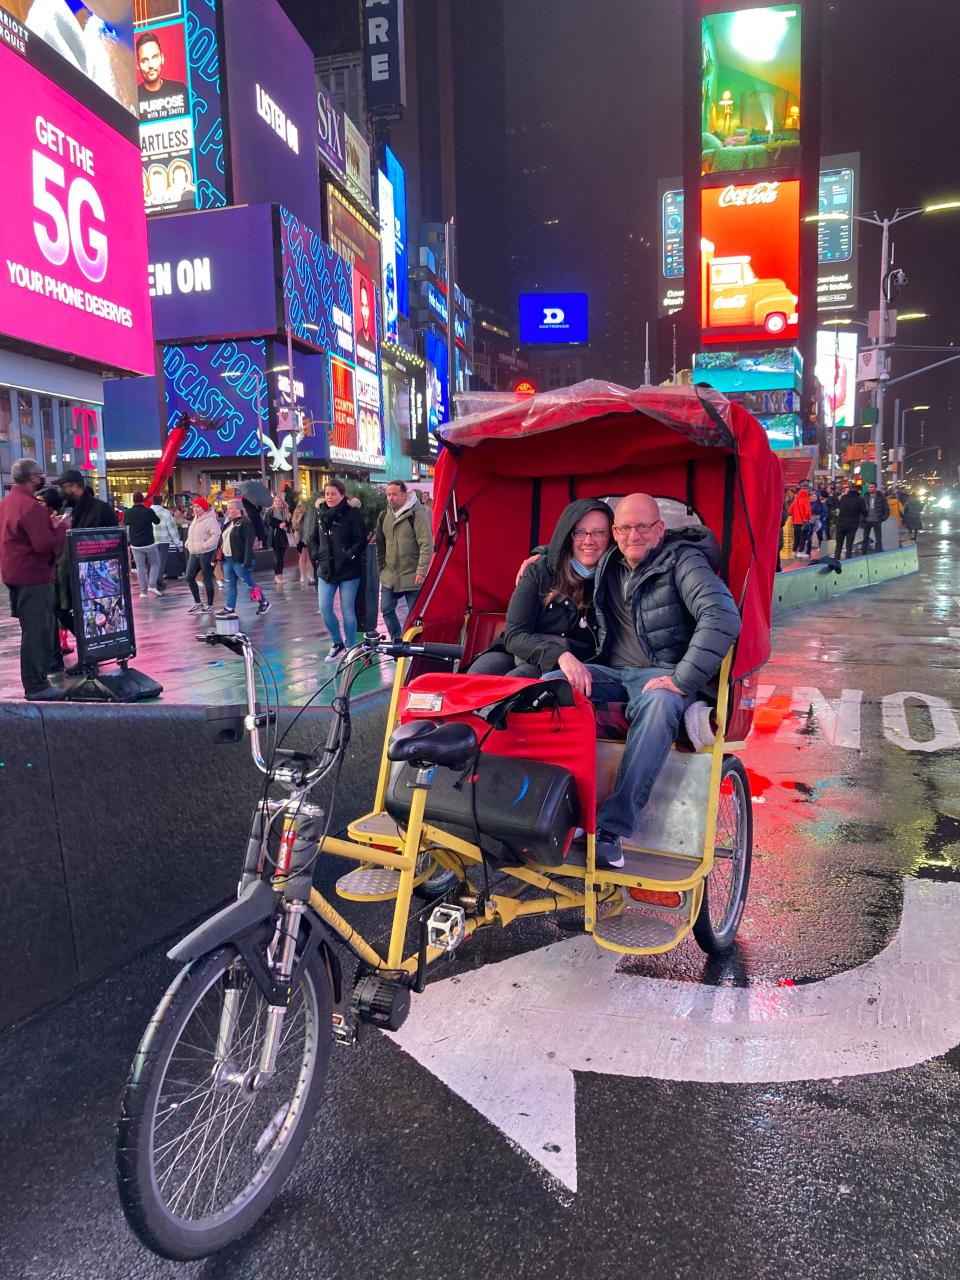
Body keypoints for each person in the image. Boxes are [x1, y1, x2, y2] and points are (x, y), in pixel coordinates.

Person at [546, 493, 741, 869]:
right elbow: (581, 546)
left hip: (662, 674)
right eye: (623, 528)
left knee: (660, 704)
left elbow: (721, 616)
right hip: (611, 670)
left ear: (659, 529)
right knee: (550, 685)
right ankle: (555, 807)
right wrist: (541, 556)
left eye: (641, 527)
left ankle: (611, 829)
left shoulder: (684, 561)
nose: (631, 536)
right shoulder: (611, 560)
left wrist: (682, 680)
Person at [470, 499, 613, 678]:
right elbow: (514, 635)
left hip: (570, 664)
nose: (588, 540)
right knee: (478, 676)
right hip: (517, 651)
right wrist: (557, 654)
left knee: (519, 682)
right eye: (580, 532)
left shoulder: (614, 578)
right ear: (569, 535)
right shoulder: (541, 570)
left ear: (611, 537)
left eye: (599, 533)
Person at [0, 458, 68, 700]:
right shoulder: (30, 507)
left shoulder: (7, 502)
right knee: (38, 631)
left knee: (32, 630)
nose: (42, 478)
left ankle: (36, 682)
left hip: (15, 574)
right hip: (34, 576)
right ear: (31, 478)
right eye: (40, 474)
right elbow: (43, 544)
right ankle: (36, 685)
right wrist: (60, 528)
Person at [54, 468, 116, 640]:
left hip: (92, 573)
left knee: (90, 611)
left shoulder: (100, 509)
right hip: (68, 570)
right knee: (62, 609)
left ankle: (92, 647)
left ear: (77, 486)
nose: (63, 491)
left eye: (66, 486)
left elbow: (113, 538)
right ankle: (87, 643)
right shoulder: (66, 509)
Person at [308, 479, 366, 661]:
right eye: (327, 494)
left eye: (333, 494)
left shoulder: (352, 513)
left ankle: (350, 646)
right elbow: (311, 538)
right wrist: (317, 554)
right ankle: (336, 642)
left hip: (348, 569)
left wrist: (349, 555)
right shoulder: (318, 513)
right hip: (326, 569)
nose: (330, 497)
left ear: (342, 495)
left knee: (347, 609)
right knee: (324, 608)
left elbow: (361, 539)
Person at [375, 480, 433, 642]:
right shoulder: (384, 516)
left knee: (415, 616)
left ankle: (412, 644)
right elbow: (380, 544)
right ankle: (397, 640)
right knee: (386, 609)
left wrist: (421, 571)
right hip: (390, 576)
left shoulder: (417, 514)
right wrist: (381, 568)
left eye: (394, 494)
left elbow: (426, 544)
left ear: (404, 495)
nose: (390, 498)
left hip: (412, 575)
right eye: (388, 494)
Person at [216, 499, 270, 619]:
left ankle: (264, 602)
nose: (228, 511)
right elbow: (222, 541)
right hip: (228, 559)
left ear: (238, 509)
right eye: (228, 509)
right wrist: (218, 556)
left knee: (249, 583)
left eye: (231, 508)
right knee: (230, 583)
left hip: (239, 559)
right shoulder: (229, 523)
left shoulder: (245, 523)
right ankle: (230, 608)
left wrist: (247, 561)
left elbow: (248, 543)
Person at [135, 30, 189, 121]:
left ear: (162, 58)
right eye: (144, 60)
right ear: (138, 65)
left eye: (154, 57)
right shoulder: (133, 98)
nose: (150, 65)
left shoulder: (180, 90)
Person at [184, 497, 220, 614]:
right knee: (189, 577)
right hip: (194, 553)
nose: (195, 509)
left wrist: (205, 545)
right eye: (194, 506)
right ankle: (198, 603)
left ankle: (209, 604)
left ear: (204, 508)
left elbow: (216, 535)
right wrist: (188, 543)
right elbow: (192, 534)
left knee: (207, 578)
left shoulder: (210, 520)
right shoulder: (195, 519)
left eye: (198, 507)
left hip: (206, 553)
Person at [123, 492, 162, 597]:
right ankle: (152, 585)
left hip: (135, 544)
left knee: (140, 567)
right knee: (155, 563)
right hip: (149, 543)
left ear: (133, 501)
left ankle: (143, 591)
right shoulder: (148, 511)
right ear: (143, 500)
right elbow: (157, 521)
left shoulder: (128, 512)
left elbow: (125, 524)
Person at [150, 496, 181, 587]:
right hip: (163, 541)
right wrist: (177, 541)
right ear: (161, 503)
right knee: (160, 562)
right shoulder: (166, 513)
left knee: (153, 563)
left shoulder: (148, 512)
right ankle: (158, 582)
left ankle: (151, 581)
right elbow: (172, 528)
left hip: (151, 541)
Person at [835, 482, 868, 559]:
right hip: (852, 525)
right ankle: (847, 560)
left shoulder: (843, 498)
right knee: (849, 544)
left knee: (839, 544)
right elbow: (865, 512)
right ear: (859, 491)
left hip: (841, 524)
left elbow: (839, 507)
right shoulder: (860, 500)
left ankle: (836, 559)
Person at [267, 495, 293, 584]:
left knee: (281, 556)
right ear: (273, 503)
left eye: (279, 501)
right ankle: (276, 575)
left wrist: (285, 524)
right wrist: (279, 524)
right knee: (277, 556)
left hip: (282, 535)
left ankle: (280, 575)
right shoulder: (270, 511)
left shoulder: (284, 512)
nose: (278, 503)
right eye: (276, 501)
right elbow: (269, 521)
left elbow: (289, 522)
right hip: (275, 535)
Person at [862, 482, 890, 553]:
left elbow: (886, 509)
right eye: (869, 487)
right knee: (865, 537)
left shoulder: (881, 497)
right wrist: (862, 519)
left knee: (878, 538)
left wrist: (883, 518)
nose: (869, 488)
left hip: (876, 520)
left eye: (871, 487)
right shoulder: (865, 497)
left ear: (875, 488)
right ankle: (863, 553)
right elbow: (861, 508)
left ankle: (879, 552)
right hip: (867, 520)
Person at [291, 500, 313, 586]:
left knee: (308, 558)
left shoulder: (309, 515)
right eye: (299, 507)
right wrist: (298, 520)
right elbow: (294, 527)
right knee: (302, 557)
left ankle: (309, 575)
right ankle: (302, 575)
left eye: (303, 507)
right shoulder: (296, 516)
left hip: (307, 537)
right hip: (300, 538)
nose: (301, 509)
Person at [788, 484, 812, 559]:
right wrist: (808, 517)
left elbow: (790, 510)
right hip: (803, 522)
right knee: (803, 537)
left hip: (796, 522)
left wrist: (795, 516)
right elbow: (808, 512)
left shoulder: (796, 501)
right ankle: (800, 552)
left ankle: (794, 551)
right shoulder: (806, 500)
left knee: (796, 537)